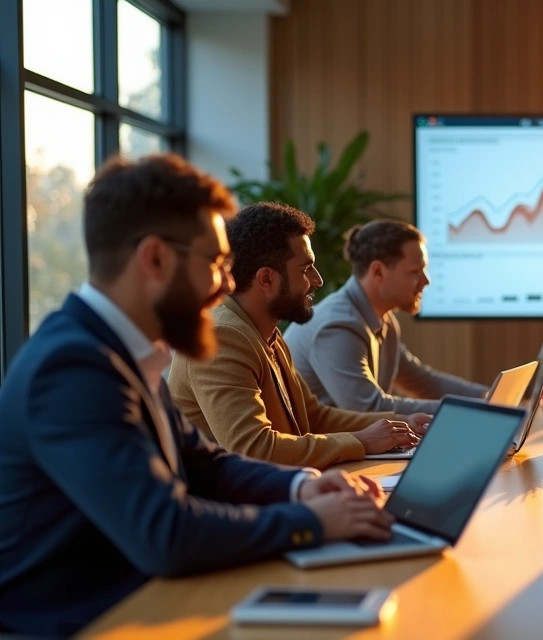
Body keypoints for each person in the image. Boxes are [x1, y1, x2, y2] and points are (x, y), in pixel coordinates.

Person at [0, 155, 396, 636]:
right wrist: (310, 521)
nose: (228, 284)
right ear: (155, 259)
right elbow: (164, 533)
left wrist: (302, 487)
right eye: (215, 263)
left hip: (140, 602)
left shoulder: (120, 353)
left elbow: (206, 464)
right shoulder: (72, 370)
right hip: (88, 624)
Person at [168, 203, 428, 468]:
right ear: (266, 279)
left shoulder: (265, 332)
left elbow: (312, 416)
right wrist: (361, 440)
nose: (318, 280)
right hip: (230, 503)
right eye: (305, 269)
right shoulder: (223, 337)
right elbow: (253, 448)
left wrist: (399, 424)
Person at [284, 219, 488, 415]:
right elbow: (369, 409)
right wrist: (469, 410)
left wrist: (488, 398)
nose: (426, 281)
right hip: (324, 449)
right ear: (378, 271)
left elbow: (423, 382)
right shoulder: (337, 326)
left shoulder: (383, 321)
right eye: (415, 271)